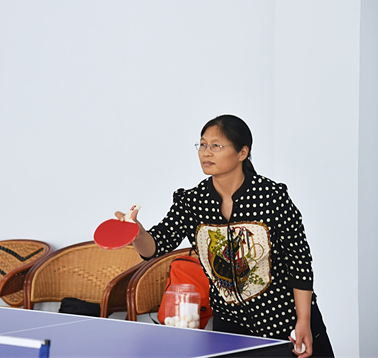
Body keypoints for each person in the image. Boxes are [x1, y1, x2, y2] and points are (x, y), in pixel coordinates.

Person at [115, 115, 334, 358]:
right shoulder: (192, 202)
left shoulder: (272, 197)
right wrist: (138, 233)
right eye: (202, 144)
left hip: (286, 321)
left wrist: (303, 320)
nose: (206, 152)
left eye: (216, 146)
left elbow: (299, 261)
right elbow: (155, 246)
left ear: (242, 153)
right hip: (231, 326)